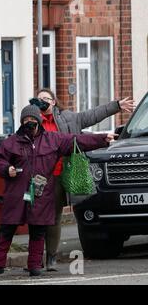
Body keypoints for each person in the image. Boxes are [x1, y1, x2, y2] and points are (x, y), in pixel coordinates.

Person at [0, 105, 116, 278]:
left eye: (32, 120)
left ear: (39, 121)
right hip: (16, 193)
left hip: (41, 193)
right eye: (25, 120)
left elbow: (76, 140)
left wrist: (102, 139)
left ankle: (34, 265)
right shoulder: (12, 142)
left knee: (38, 230)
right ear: (22, 122)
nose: (29, 123)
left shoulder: (53, 139)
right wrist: (6, 168)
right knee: (7, 229)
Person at [33, 88, 136, 271]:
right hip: (38, 176)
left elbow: (92, 116)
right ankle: (35, 260)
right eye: (39, 99)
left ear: (54, 102)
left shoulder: (68, 118)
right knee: (38, 217)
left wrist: (116, 106)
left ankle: (51, 258)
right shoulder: (32, 119)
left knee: (54, 217)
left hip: (58, 175)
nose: (43, 101)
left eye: (46, 98)